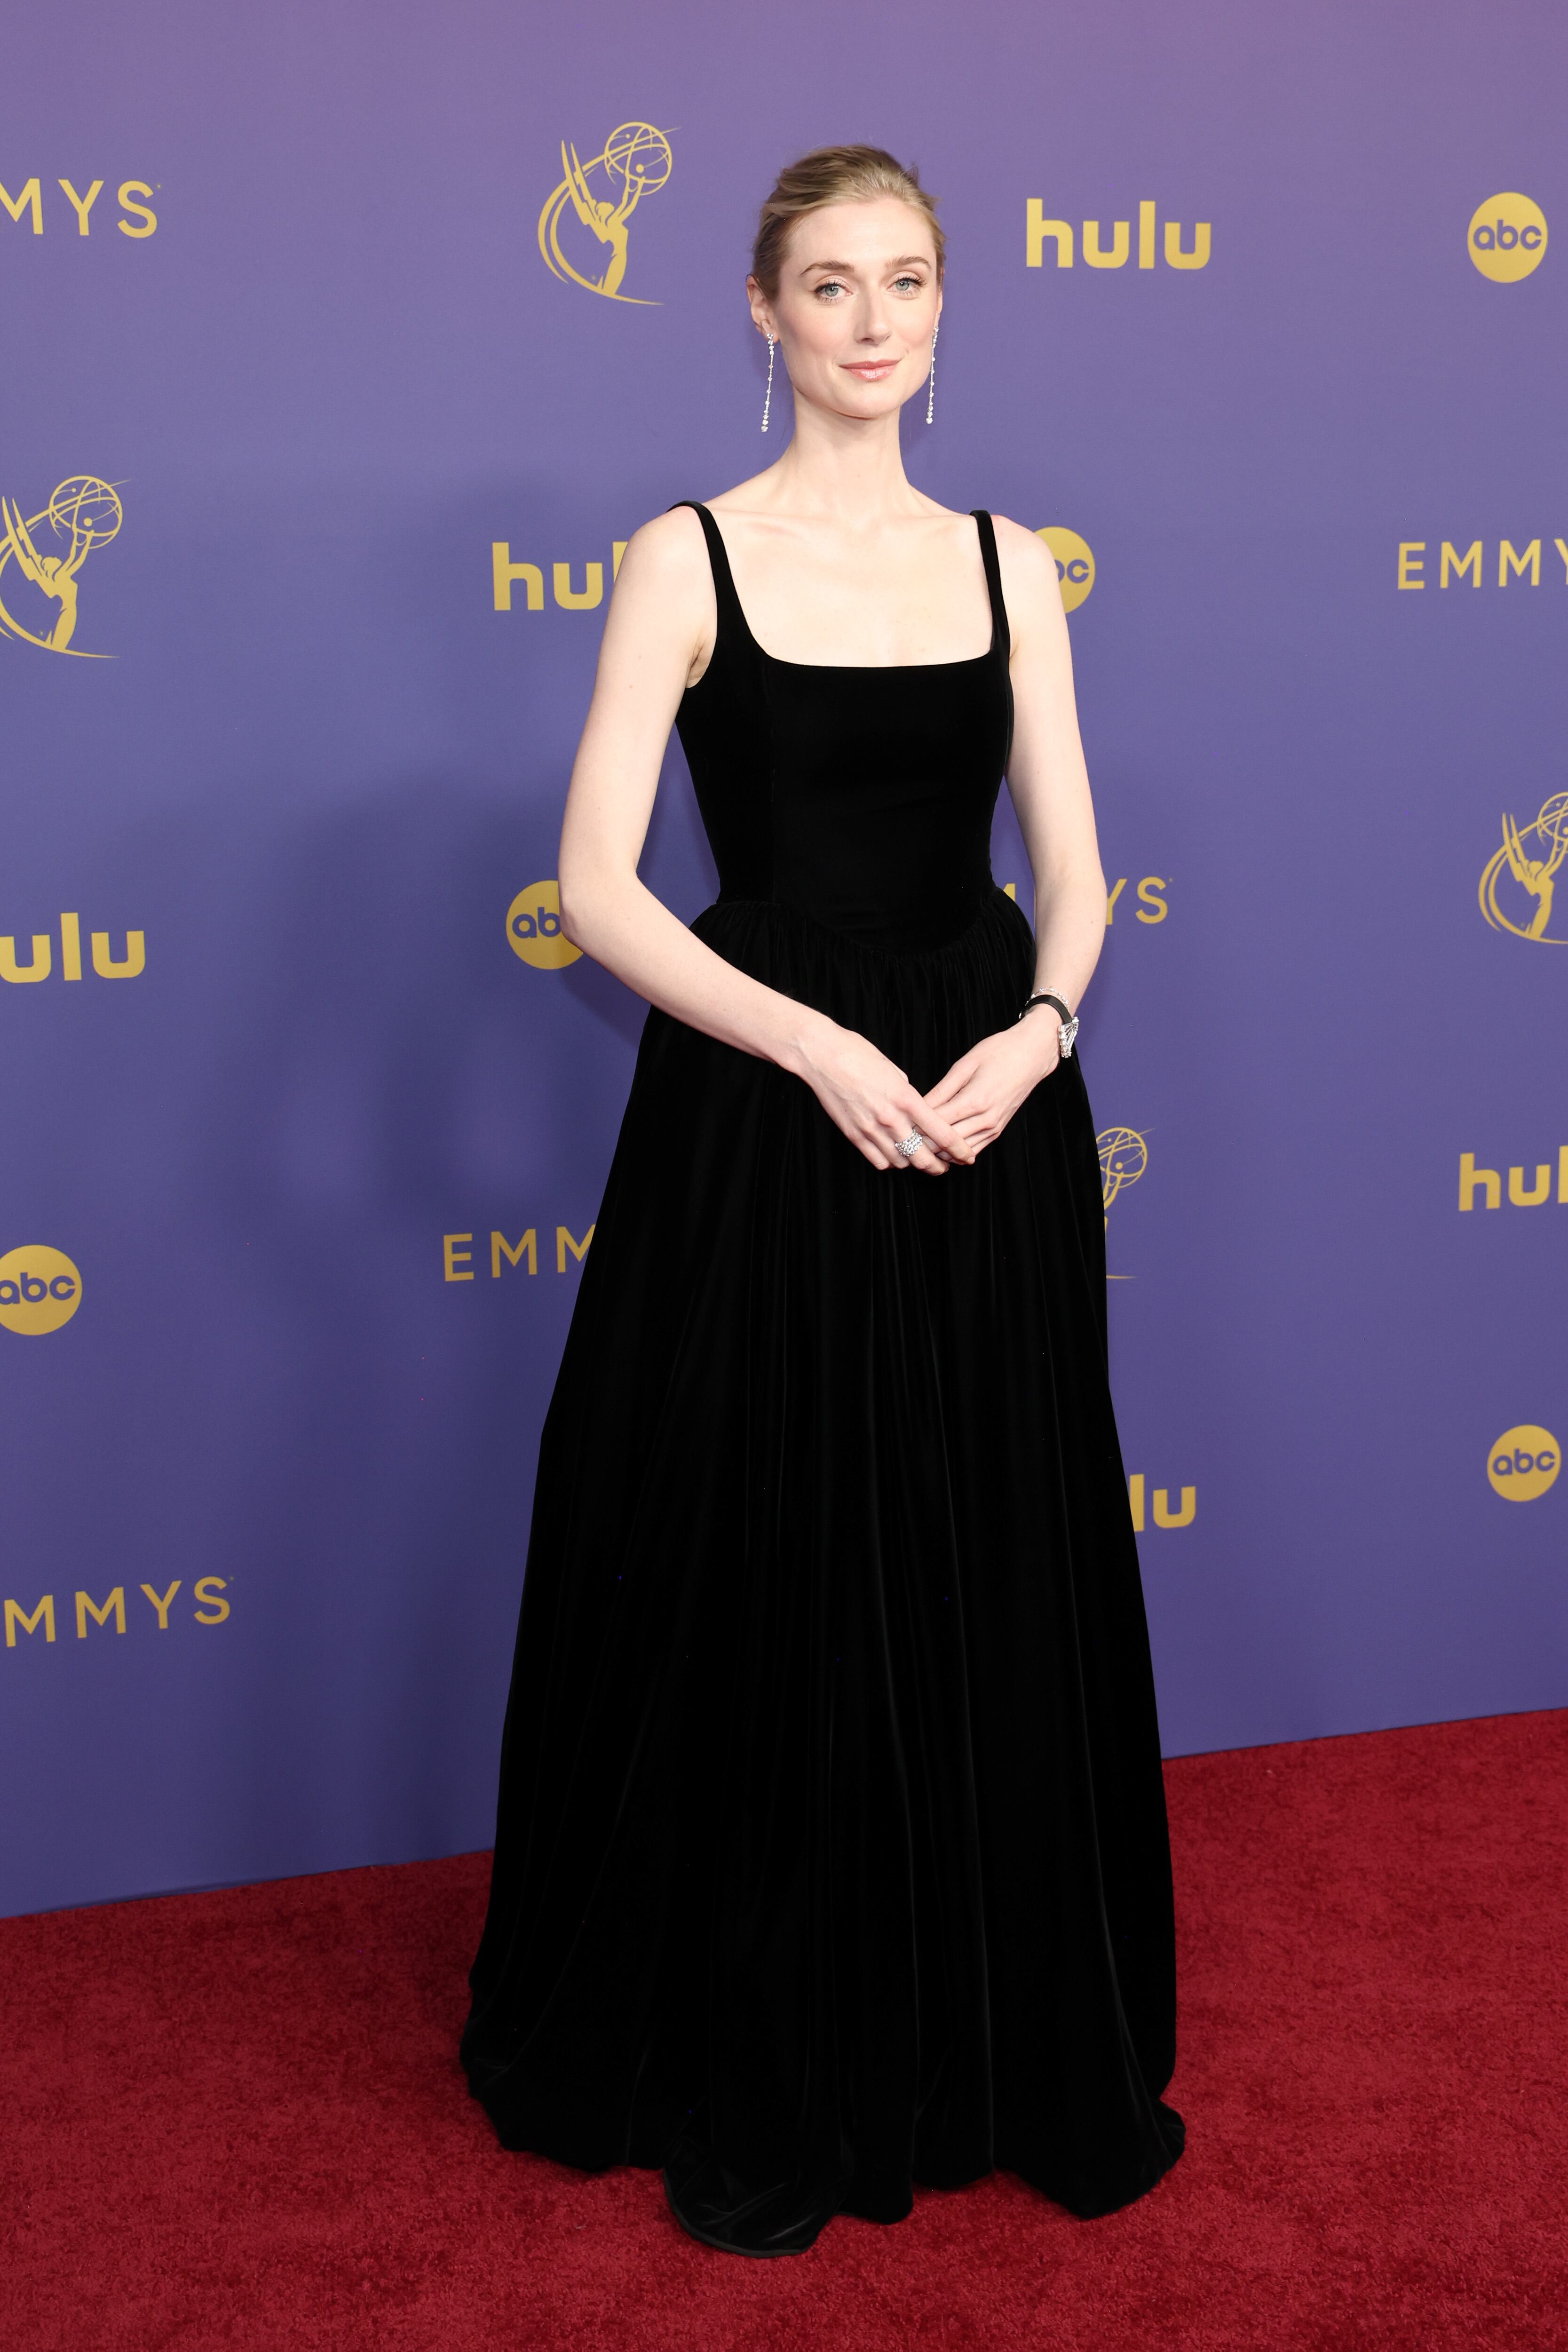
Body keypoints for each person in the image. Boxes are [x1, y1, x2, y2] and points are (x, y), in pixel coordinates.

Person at [462, 144, 1184, 2257]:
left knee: (981, 1525)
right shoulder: (681, 558)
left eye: (910, 281)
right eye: (832, 284)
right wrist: (809, 1044)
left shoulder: (1005, 565)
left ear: (944, 313)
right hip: (772, 1113)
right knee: (758, 1543)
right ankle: (759, 2018)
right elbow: (601, 885)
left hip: (984, 1094)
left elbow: (1077, 866)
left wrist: (1040, 1035)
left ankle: (987, 2033)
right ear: (759, 312)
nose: (875, 319)